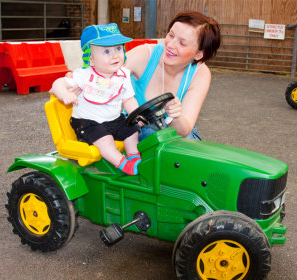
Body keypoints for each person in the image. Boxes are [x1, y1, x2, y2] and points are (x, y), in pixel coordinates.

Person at [51, 23, 141, 175]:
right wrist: (64, 94)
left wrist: (136, 115)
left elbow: (128, 100)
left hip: (114, 120)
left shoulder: (124, 74)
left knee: (132, 130)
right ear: (91, 59)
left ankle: (133, 155)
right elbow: (57, 83)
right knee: (106, 141)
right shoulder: (84, 75)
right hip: (87, 123)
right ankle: (122, 163)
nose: (115, 55)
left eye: (118, 48)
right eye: (106, 51)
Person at [126, 10, 220, 140]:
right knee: (149, 134)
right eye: (171, 35)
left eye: (182, 43)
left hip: (174, 133)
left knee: (189, 143)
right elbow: (105, 75)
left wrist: (175, 116)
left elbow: (184, 130)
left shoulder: (200, 74)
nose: (170, 45)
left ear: (198, 54)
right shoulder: (144, 54)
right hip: (134, 130)